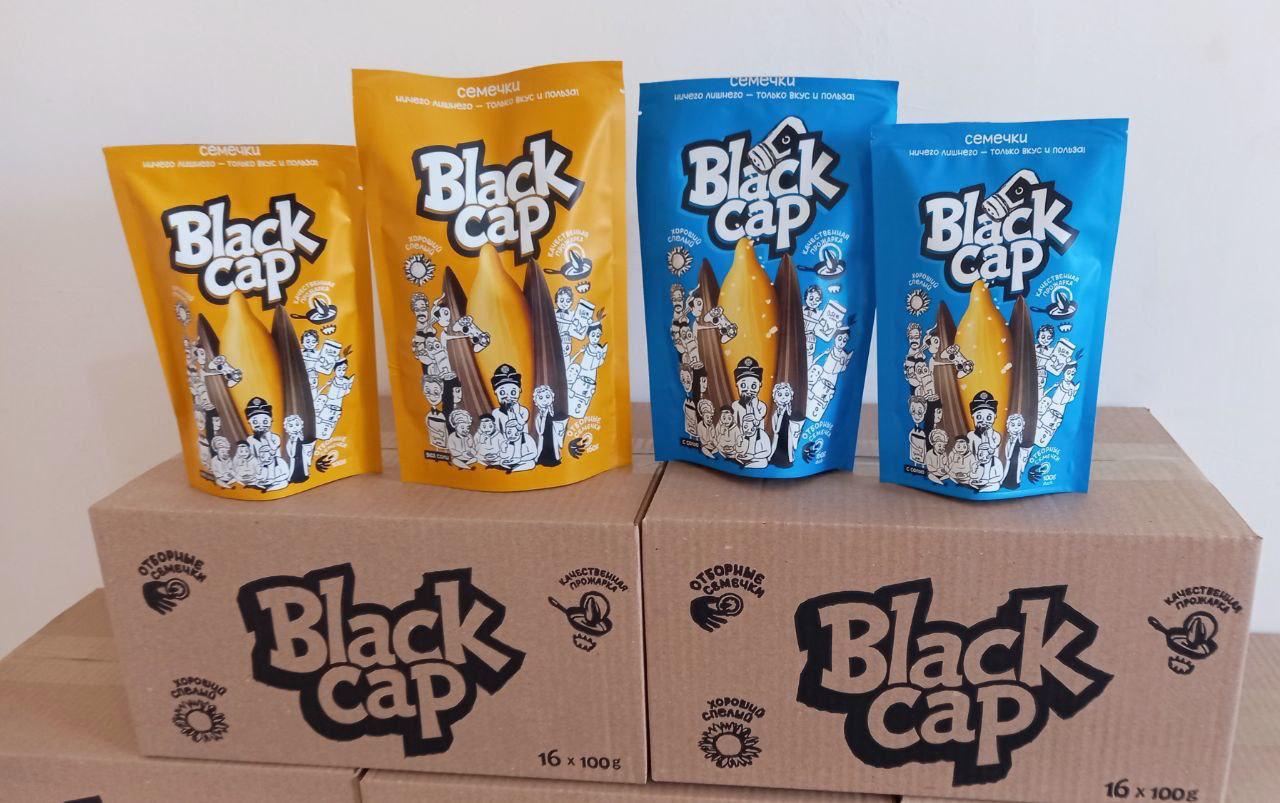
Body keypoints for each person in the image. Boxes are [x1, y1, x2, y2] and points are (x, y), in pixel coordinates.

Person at [731, 357, 771, 469]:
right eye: (743, 386)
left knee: (763, 462)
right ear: (737, 385)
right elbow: (735, 425)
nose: (748, 390)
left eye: (753, 386)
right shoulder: (735, 406)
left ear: (760, 385)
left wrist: (754, 406)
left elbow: (758, 420)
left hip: (757, 441)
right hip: (742, 440)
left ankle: (749, 463)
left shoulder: (761, 406)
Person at [243, 397, 288, 490]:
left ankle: (271, 486)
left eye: (265, 421)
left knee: (283, 483)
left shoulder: (275, 438)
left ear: (271, 420)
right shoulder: (250, 440)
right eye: (255, 422)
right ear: (249, 422)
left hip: (274, 469)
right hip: (260, 470)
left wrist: (268, 438)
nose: (261, 425)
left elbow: (274, 451)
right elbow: (252, 458)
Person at [966, 391, 1004, 492]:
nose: (984, 421)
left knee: (995, 485)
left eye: (988, 417)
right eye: (979, 417)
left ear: (995, 416)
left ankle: (985, 487)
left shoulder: (996, 435)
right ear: (972, 416)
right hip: (977, 469)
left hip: (991, 470)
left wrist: (989, 435)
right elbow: (971, 454)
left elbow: (993, 448)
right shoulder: (971, 436)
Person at [768, 382, 801, 468]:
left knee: (788, 453)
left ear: (791, 396)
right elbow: (776, 430)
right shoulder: (776, 414)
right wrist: (781, 414)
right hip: (778, 439)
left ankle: (788, 460)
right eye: (780, 395)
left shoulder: (791, 412)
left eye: (786, 394)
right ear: (775, 398)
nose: (783, 397)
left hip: (788, 438)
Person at [490, 363, 529, 436]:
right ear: (496, 392)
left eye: (513, 392)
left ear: (519, 390)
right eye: (502, 392)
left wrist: (517, 414)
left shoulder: (523, 411)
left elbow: (524, 430)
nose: (508, 397)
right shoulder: (496, 413)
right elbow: (498, 433)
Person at [533, 384, 565, 467]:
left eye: (547, 397)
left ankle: (554, 459)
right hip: (544, 439)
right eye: (540, 398)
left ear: (552, 397)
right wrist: (544, 416)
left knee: (554, 451)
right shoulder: (539, 416)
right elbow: (540, 432)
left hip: (553, 438)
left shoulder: (553, 413)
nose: (544, 400)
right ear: (536, 401)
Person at [1000, 413, 1031, 490]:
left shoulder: (1021, 439)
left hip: (1017, 460)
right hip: (1010, 460)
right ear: (1008, 427)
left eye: (1019, 425)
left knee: (1015, 471)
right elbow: (1007, 453)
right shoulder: (1009, 439)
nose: (1016, 427)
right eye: (1013, 425)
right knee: (1008, 470)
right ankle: (1006, 482)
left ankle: (1014, 484)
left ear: (1022, 426)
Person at [282, 413, 313, 484]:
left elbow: (304, 446)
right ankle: (292, 478)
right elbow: (290, 451)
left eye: (297, 424)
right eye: (291, 426)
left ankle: (302, 477)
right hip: (295, 458)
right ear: (286, 428)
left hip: (301, 458)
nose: (295, 428)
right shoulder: (291, 439)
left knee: (301, 469)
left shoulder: (300, 437)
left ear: (301, 425)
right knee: (293, 468)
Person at [907, 396, 929, 465]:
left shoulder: (925, 431)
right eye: (913, 411)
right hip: (914, 451)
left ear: (924, 411)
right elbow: (910, 439)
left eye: (919, 412)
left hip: (922, 452)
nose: (916, 415)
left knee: (922, 462)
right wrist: (916, 448)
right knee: (914, 462)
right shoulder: (913, 430)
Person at [679, 365, 698, 438]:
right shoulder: (686, 399)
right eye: (683, 380)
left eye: (688, 379)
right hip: (689, 427)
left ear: (692, 378)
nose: (686, 383)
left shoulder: (695, 398)